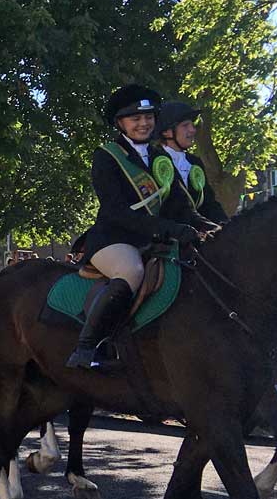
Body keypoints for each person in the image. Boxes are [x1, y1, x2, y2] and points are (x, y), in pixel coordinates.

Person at [66, 84, 217, 371]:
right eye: (135, 118)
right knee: (132, 271)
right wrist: (169, 229)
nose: (144, 123)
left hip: (155, 239)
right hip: (114, 240)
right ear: (120, 123)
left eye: (148, 117)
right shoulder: (108, 156)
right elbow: (115, 211)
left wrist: (210, 227)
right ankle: (88, 347)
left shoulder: (160, 158)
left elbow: (180, 207)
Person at [155, 101, 229, 223]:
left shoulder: (194, 162)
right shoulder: (154, 160)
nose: (192, 130)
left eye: (192, 125)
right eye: (185, 125)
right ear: (166, 132)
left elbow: (209, 203)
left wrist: (226, 225)